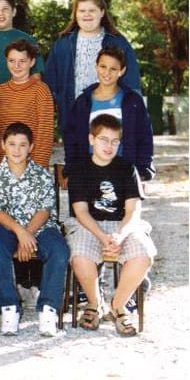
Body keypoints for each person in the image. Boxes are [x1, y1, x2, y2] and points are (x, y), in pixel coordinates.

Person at [66, 114, 155, 337]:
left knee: (144, 254)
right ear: (91, 139)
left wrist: (119, 235)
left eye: (115, 141)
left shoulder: (127, 169)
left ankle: (118, 305)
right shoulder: (79, 169)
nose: (109, 146)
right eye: (103, 140)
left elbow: (133, 211)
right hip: (89, 224)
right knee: (79, 256)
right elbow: (81, 212)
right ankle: (95, 303)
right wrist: (102, 236)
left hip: (122, 225)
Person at [0, 122, 69, 337]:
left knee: (59, 250)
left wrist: (28, 234)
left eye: (23, 145)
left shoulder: (41, 174)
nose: (17, 150)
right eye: (12, 144)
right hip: (7, 228)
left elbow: (45, 210)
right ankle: (9, 307)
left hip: (39, 228)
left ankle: (48, 309)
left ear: (31, 147)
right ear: (3, 145)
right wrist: (20, 233)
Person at [44, 0, 141, 132]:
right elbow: (49, 83)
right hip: (73, 116)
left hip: (109, 115)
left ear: (102, 12)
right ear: (75, 14)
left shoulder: (118, 43)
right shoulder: (63, 44)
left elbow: (132, 83)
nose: (87, 15)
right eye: (82, 11)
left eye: (92, 10)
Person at [64, 47, 155, 182]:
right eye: (103, 66)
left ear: (121, 71)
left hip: (124, 172)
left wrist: (142, 170)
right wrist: (71, 169)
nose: (107, 72)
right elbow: (71, 139)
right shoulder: (83, 102)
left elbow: (145, 136)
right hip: (90, 173)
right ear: (96, 67)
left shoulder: (132, 101)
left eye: (113, 69)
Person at [0, 39, 54, 168]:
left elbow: (45, 133)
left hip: (31, 166)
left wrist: (37, 169)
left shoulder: (41, 90)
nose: (16, 66)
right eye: (12, 61)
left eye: (22, 61)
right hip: (3, 166)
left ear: (32, 62)